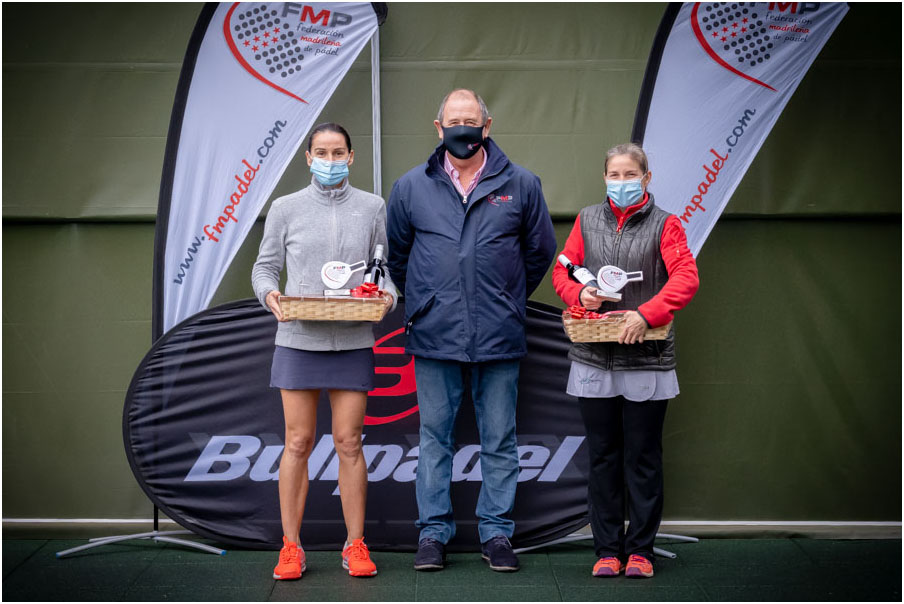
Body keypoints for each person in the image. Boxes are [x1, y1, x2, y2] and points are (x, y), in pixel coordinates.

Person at [386, 89, 557, 572]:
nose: (463, 128)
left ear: (487, 125)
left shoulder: (522, 184)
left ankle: (497, 534)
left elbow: (540, 251)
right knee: (434, 439)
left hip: (498, 333)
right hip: (434, 334)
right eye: (454, 121)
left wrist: (504, 298)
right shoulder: (410, 186)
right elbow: (399, 256)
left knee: (499, 439)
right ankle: (432, 535)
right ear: (438, 128)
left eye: (471, 120)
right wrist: (427, 301)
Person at [251, 122, 397, 581]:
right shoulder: (285, 208)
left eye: (338, 153)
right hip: (298, 340)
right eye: (321, 153)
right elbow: (264, 267)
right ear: (308, 157)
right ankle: (290, 547)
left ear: (351, 157)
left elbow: (385, 270)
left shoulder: (373, 207)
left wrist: (387, 298)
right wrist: (270, 295)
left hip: (353, 340)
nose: (329, 161)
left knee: (349, 443)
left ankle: (355, 544)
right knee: (297, 442)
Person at [552, 143, 699, 579]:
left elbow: (685, 278)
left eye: (630, 174)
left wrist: (646, 314)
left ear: (646, 178)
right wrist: (580, 294)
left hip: (647, 360)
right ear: (604, 178)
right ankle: (606, 551)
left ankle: (640, 552)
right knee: (602, 457)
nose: (621, 182)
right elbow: (562, 270)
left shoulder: (666, 225)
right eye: (614, 175)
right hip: (594, 358)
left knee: (642, 458)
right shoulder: (586, 220)